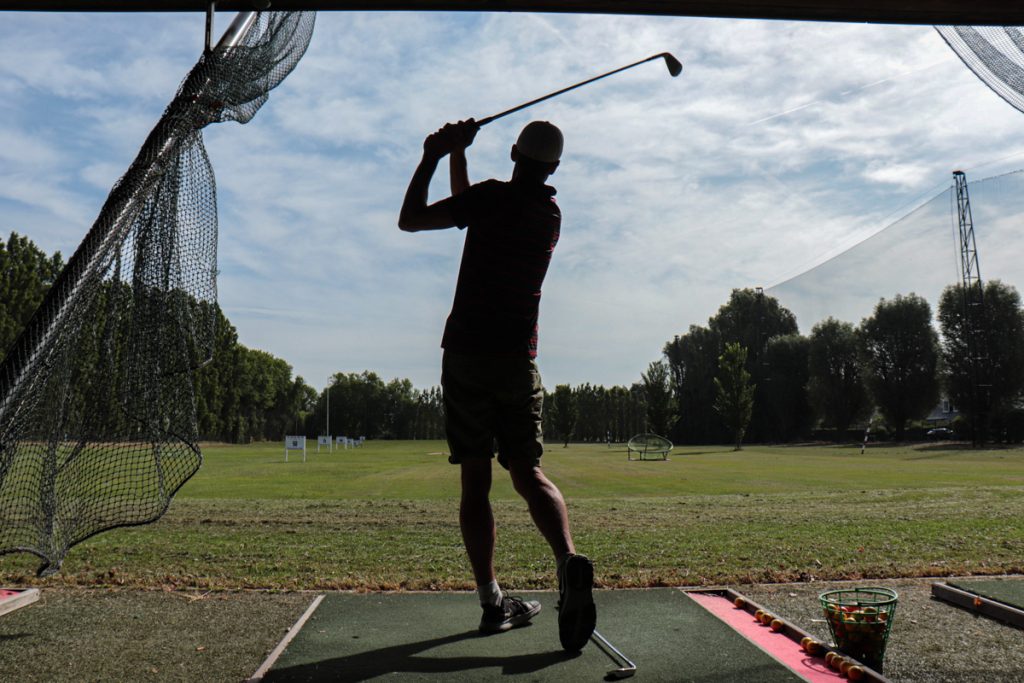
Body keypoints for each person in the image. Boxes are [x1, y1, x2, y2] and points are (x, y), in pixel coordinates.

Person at [398, 119, 596, 652]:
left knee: (475, 480)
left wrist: (434, 154)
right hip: (515, 359)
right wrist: (459, 156)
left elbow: (412, 220)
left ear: (512, 152)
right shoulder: (548, 214)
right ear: (553, 168)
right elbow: (473, 212)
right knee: (528, 471)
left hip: (467, 354)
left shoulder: (488, 200)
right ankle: (568, 562)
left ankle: (491, 600)